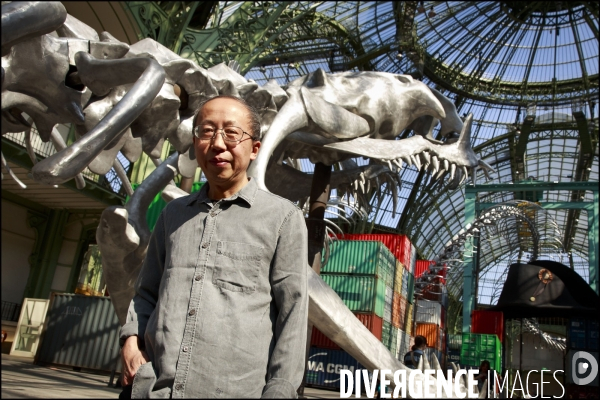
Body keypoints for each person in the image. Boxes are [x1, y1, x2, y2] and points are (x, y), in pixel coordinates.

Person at [119, 95, 309, 398]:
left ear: (255, 149)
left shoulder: (284, 219)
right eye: (206, 132)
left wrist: (280, 390)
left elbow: (293, 314)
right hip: (153, 390)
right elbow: (146, 293)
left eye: (232, 133)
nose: (218, 144)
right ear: (195, 144)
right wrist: (130, 340)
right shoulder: (173, 215)